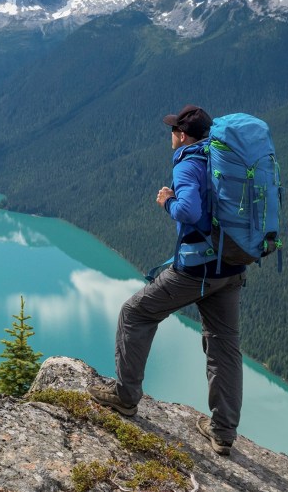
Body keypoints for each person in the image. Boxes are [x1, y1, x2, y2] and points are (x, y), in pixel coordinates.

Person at [88, 104, 247, 455]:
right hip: (231, 268)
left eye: (173, 130)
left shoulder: (189, 163)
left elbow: (189, 211)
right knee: (224, 346)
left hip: (197, 271)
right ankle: (222, 432)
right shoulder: (222, 160)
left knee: (135, 313)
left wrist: (168, 201)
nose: (171, 135)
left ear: (181, 135)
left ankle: (126, 397)